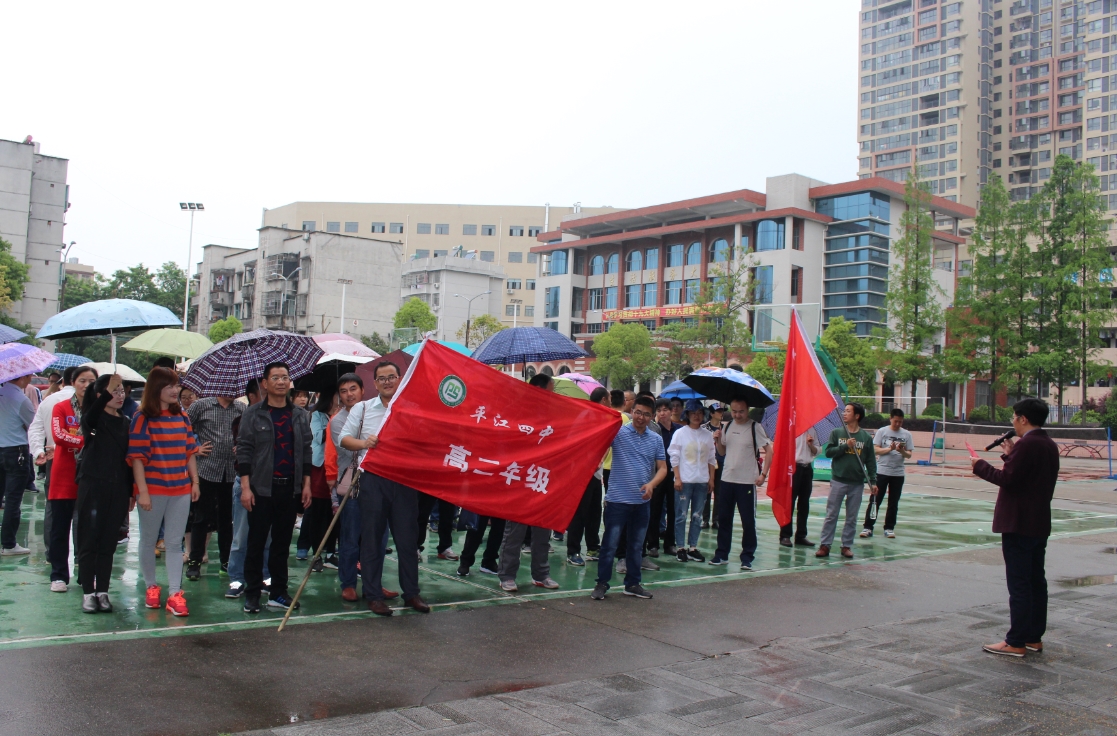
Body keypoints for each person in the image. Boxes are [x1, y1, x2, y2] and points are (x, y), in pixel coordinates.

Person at [972, 398, 1059, 658]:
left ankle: (1016, 640)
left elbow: (1008, 479)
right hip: (1038, 521)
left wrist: (980, 466)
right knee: (1035, 581)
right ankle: (1033, 636)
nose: (1013, 422)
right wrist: (1010, 455)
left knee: (1019, 583)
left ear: (1023, 418)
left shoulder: (1028, 444)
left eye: (1014, 417)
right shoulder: (1048, 444)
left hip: (1019, 522)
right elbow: (1026, 476)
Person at [341, 360, 425, 615]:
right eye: (382, 378)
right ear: (375, 383)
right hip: (373, 480)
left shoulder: (411, 408)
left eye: (392, 377)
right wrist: (364, 443)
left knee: (407, 541)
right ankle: (374, 595)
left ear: (400, 379)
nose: (387, 382)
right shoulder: (363, 408)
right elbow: (343, 439)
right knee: (372, 540)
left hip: (404, 480)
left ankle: (412, 594)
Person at [237, 362, 313, 614]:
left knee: (282, 545)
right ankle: (252, 593)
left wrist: (306, 485)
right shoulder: (254, 413)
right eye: (275, 378)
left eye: (285, 377)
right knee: (256, 543)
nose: (281, 382)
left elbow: (306, 451)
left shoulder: (300, 415)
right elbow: (244, 450)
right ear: (265, 383)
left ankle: (278, 593)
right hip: (260, 489)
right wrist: (245, 488)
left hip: (289, 490)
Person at [129, 367, 201, 616]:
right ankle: (151, 587)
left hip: (180, 490)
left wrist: (195, 482)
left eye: (176, 385)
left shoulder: (182, 416)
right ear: (155, 388)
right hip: (152, 490)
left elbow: (190, 451)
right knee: (149, 540)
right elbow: (137, 458)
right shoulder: (142, 417)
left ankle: (174, 593)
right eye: (169, 385)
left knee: (174, 542)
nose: (175, 390)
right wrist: (143, 492)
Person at [591, 395, 666, 600]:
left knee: (636, 546)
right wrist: (597, 461)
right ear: (631, 412)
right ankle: (602, 583)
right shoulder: (619, 432)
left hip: (642, 502)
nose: (641, 417)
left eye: (646, 414)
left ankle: (632, 584)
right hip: (617, 500)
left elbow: (662, 468)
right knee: (610, 544)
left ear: (652, 416)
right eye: (638, 412)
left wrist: (651, 484)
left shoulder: (656, 439)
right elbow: (602, 446)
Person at [74, 374, 133, 613]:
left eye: (122, 391)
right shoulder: (93, 419)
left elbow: (129, 460)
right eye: (114, 391)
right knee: (89, 539)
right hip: (93, 485)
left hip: (118, 488)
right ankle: (88, 592)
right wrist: (108, 390)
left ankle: (103, 591)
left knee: (109, 542)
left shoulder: (126, 421)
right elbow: (90, 416)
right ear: (101, 395)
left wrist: (131, 491)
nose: (120, 395)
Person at [497, 373, 561, 593]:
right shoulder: (519, 412)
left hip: (543, 478)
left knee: (543, 530)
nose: (554, 396)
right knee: (515, 531)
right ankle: (507, 575)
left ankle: (541, 574)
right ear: (540, 390)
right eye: (551, 391)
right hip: (520, 479)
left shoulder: (554, 416)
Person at [46, 366, 97, 591]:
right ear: (73, 382)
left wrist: (82, 439)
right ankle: (58, 575)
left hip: (90, 476)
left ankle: (85, 573)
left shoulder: (99, 410)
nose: (86, 385)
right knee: (59, 528)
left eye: (91, 381)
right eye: (82, 380)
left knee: (87, 530)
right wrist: (87, 441)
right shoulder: (61, 407)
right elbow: (59, 436)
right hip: (63, 475)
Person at [185, 389, 242, 580]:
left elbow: (248, 434)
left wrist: (241, 446)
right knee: (201, 518)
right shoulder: (201, 405)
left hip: (231, 472)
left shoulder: (241, 408)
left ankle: (226, 562)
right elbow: (182, 429)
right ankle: (194, 562)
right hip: (206, 471)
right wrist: (195, 448)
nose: (231, 390)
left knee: (227, 520)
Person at [711, 398, 772, 569]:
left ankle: (747, 557)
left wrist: (763, 474)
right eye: (734, 411)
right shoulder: (727, 426)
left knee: (748, 521)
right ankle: (721, 554)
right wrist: (717, 440)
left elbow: (769, 451)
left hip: (746, 481)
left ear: (748, 410)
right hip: (727, 479)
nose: (737, 415)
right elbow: (722, 451)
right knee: (724, 519)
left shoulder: (755, 427)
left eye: (741, 411)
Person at [817, 403, 877, 560]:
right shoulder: (837, 433)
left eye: (848, 411)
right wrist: (845, 446)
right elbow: (829, 452)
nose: (844, 413)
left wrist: (873, 481)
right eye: (844, 411)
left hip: (857, 483)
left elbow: (870, 461)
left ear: (857, 416)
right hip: (838, 480)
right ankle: (825, 544)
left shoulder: (865, 437)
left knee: (852, 516)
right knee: (831, 514)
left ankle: (846, 545)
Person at [224, 379, 266, 599]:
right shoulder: (241, 420)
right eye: (263, 392)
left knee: (268, 535)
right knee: (241, 534)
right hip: (245, 482)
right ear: (252, 396)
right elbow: (242, 451)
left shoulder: (277, 418)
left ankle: (265, 576)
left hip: (268, 483)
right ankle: (237, 577)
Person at [29, 366, 77, 555]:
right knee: (82, 509)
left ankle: (52, 552)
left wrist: (38, 451)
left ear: (62, 381)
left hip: (53, 458)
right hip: (83, 459)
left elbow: (35, 428)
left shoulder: (49, 400)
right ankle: (81, 556)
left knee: (54, 506)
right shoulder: (90, 402)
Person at [566, 387, 610, 566]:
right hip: (583, 472)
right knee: (580, 513)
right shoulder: (586, 416)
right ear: (604, 399)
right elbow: (576, 442)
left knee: (594, 511)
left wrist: (600, 459)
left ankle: (592, 547)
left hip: (596, 473)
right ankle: (573, 551)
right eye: (608, 398)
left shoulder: (603, 417)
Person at [669, 399, 716, 563]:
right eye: (693, 413)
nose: (696, 416)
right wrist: (677, 477)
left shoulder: (707, 435)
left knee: (697, 516)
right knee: (681, 515)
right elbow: (674, 456)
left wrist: (711, 479)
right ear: (687, 415)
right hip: (685, 480)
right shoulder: (680, 433)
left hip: (702, 481)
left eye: (700, 413)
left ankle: (693, 547)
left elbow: (711, 458)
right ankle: (680, 547)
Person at [299, 385, 337, 572]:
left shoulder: (345, 415)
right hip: (319, 468)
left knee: (334, 513)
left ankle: (331, 553)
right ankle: (316, 554)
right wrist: (335, 421)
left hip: (337, 466)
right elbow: (318, 437)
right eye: (338, 394)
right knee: (317, 512)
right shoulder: (316, 415)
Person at [861, 408, 912, 540]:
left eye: (900, 422)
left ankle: (889, 528)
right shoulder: (882, 431)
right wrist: (889, 449)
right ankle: (868, 527)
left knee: (893, 502)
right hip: (882, 471)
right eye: (896, 421)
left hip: (898, 473)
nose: (898, 424)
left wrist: (901, 451)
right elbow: (875, 450)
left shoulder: (907, 434)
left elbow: (909, 454)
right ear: (890, 418)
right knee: (875, 500)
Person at [0, 373, 36, 556]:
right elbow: (32, 425)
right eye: (29, 377)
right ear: (22, 377)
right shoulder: (20, 399)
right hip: (16, 451)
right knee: (13, 500)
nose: (30, 380)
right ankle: (8, 544)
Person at [646, 398, 681, 558]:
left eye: (665, 410)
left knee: (674, 509)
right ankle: (652, 544)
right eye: (659, 410)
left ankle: (670, 543)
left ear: (671, 411)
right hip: (657, 474)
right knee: (655, 510)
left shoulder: (679, 431)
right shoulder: (653, 430)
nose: (662, 413)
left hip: (674, 474)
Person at [780, 427, 819, 547]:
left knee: (804, 503)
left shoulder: (813, 430)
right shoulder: (791, 427)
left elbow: (817, 450)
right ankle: (785, 535)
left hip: (807, 468)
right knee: (789, 502)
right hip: (793, 468)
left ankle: (801, 535)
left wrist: (811, 445)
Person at [701, 403, 726, 530]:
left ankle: (716, 519)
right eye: (718, 411)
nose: (721, 413)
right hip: (707, 463)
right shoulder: (703, 428)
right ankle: (704, 519)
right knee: (706, 490)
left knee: (719, 492)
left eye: (722, 411)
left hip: (721, 461)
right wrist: (712, 437)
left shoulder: (725, 428)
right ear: (711, 413)